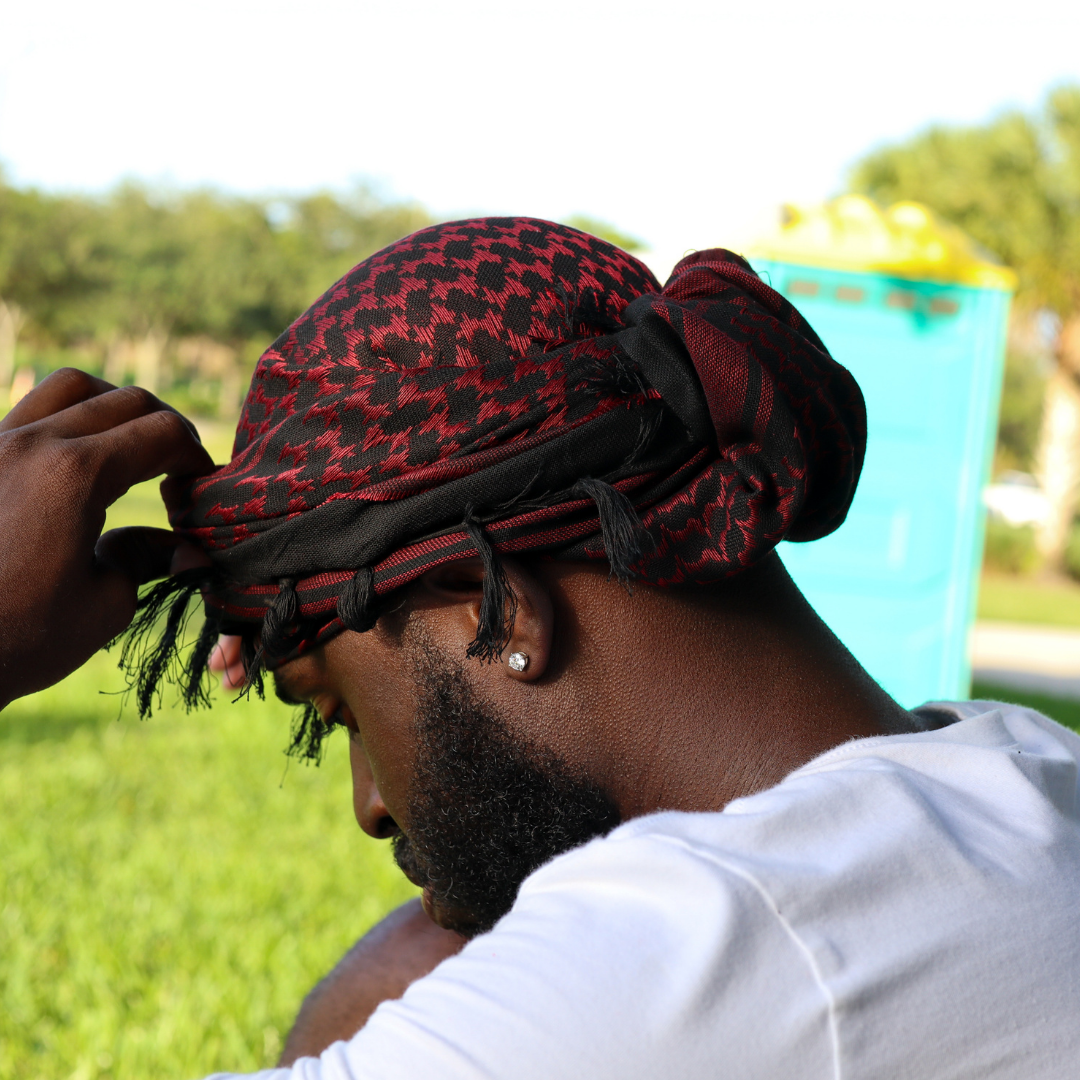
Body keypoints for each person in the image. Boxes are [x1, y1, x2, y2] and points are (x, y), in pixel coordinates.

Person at [1, 218, 1078, 1079]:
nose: (369, 803)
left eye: (339, 718)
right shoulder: (1026, 774)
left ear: (498, 609)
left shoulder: (711, 957)